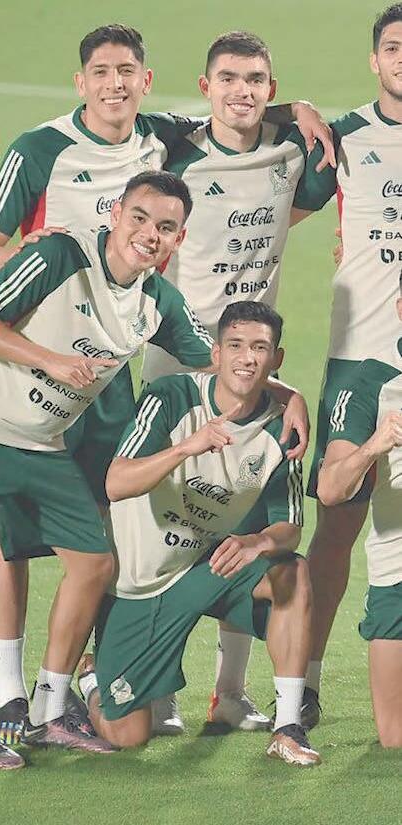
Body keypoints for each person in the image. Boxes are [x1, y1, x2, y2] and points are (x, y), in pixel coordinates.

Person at [0, 23, 331, 740]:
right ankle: (15, 694)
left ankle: (140, 687)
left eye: (127, 72)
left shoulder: (157, 139)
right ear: (81, 81)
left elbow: (237, 105)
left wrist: (300, 108)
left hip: (119, 374)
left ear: (145, 79)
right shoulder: (44, 148)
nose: (115, 85)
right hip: (57, 364)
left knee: (156, 531)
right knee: (27, 536)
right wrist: (33, 252)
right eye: (101, 72)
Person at [0, 171, 218, 769]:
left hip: (39, 442)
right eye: (140, 218)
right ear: (115, 214)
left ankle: (49, 709)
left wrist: (285, 395)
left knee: (93, 562)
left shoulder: (158, 301)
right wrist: (50, 361)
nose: (149, 234)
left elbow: (217, 362)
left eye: (165, 227)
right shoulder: (60, 254)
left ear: (179, 239)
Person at [141, 31, 336, 732]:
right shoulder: (175, 154)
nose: (240, 92)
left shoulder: (292, 155)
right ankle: (157, 691)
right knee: (167, 526)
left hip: (250, 366)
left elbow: (317, 176)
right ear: (204, 87)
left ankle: (230, 694)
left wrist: (297, 110)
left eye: (255, 80)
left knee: (248, 521)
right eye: (227, 79)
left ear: (269, 87)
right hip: (177, 368)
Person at [77, 301, 320, 767]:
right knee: (129, 734)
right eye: (236, 346)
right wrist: (187, 447)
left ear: (276, 359)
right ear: (217, 353)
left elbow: (289, 525)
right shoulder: (171, 396)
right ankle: (92, 678)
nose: (247, 358)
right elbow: (116, 483)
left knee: (293, 572)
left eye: (260, 348)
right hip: (140, 582)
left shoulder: (282, 428)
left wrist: (257, 542)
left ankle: (288, 727)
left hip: (207, 568)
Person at [293, 3, 402, 726]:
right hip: (361, 357)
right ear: (374, 60)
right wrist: (293, 107)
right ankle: (298, 683)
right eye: (393, 47)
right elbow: (270, 208)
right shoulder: (344, 138)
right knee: (336, 522)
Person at [317, 279, 402, 748]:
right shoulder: (372, 383)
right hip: (397, 574)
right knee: (395, 738)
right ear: (400, 308)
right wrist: (374, 445)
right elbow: (331, 489)